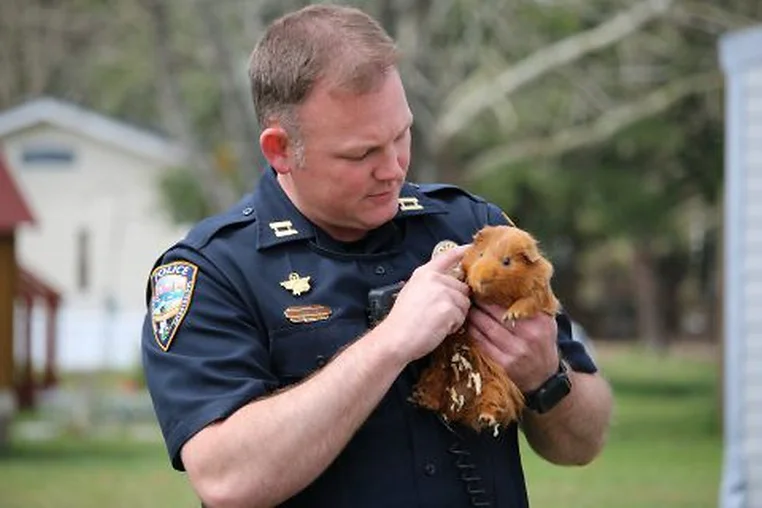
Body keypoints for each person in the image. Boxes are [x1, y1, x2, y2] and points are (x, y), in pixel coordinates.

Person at [141, 4, 613, 507]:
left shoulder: (473, 230)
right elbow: (226, 480)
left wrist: (545, 377)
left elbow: (584, 441)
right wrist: (389, 344)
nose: (392, 169)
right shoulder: (212, 271)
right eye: (361, 154)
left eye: (401, 135)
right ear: (280, 150)